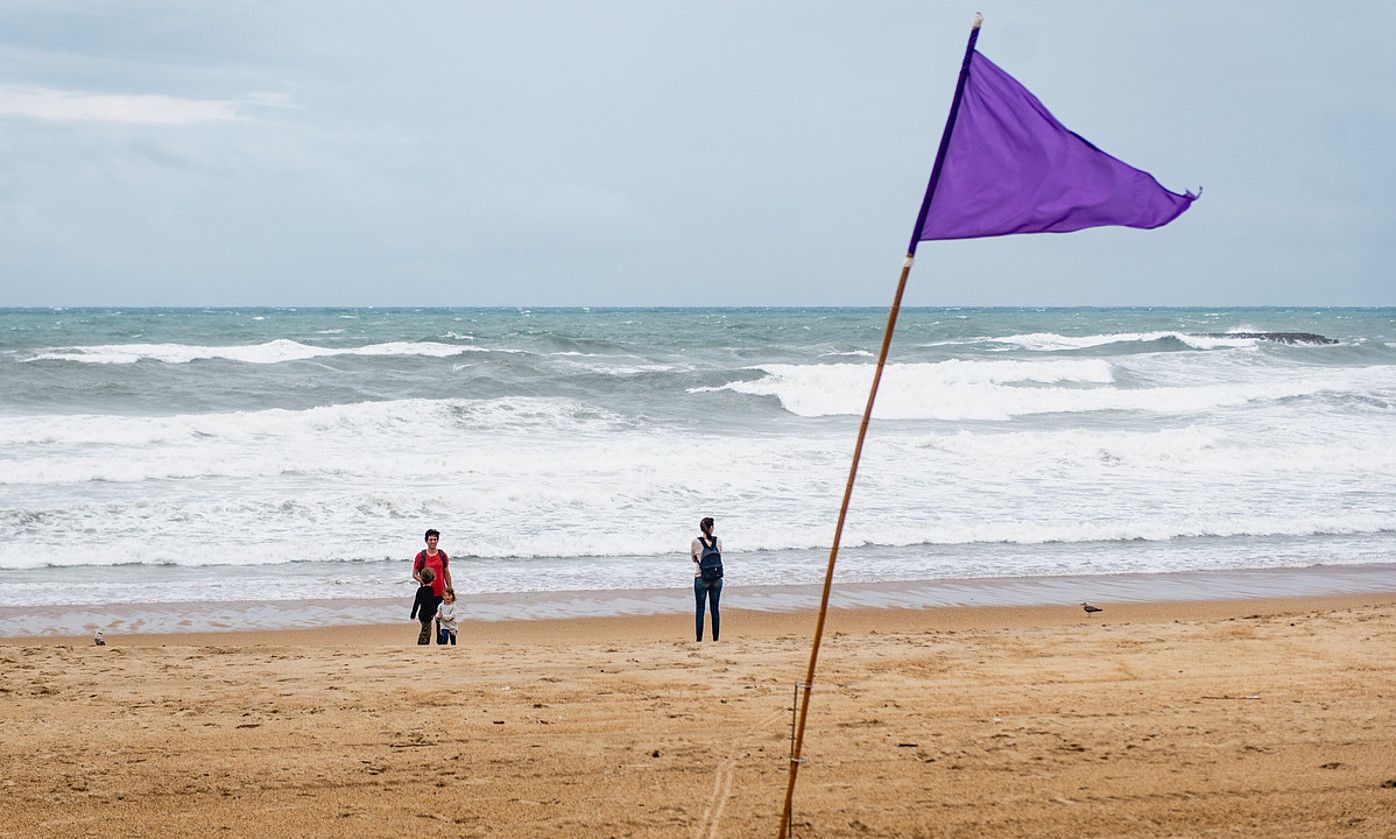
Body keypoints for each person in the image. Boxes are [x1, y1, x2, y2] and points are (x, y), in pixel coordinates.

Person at [690, 516, 723, 642]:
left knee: (700, 609)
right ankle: (715, 639)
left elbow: (694, 559)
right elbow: (720, 554)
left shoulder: (695, 542)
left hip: (701, 578)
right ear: (711, 528)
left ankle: (699, 639)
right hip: (717, 579)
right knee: (715, 609)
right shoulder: (718, 541)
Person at [413, 529, 453, 600]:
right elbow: (415, 574)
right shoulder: (421, 556)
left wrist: (450, 588)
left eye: (435, 539)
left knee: (441, 611)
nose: (433, 542)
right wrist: (425, 582)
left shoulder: (443, 555)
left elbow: (446, 573)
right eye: (430, 540)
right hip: (426, 593)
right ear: (426, 541)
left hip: (441, 593)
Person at [410, 568, 440, 645]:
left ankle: (424, 643)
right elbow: (430, 603)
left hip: (421, 614)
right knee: (426, 632)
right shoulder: (430, 590)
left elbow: (416, 602)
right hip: (427, 614)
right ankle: (422, 644)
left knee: (425, 629)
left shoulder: (420, 590)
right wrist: (434, 612)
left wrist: (413, 613)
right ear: (433, 579)